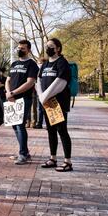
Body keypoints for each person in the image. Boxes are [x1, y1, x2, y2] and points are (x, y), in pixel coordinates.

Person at [36, 38, 73, 172]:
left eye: (51, 46)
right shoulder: (45, 65)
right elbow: (38, 80)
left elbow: (60, 83)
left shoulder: (62, 63)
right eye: (47, 46)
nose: (48, 48)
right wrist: (41, 96)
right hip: (47, 103)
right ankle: (53, 158)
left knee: (62, 131)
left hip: (58, 103)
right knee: (50, 131)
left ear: (58, 48)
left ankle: (67, 161)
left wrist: (45, 96)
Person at [6, 40, 39, 165]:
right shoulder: (14, 64)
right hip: (11, 98)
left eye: (23, 48)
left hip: (23, 98)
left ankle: (23, 154)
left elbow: (30, 82)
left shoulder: (31, 64)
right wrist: (8, 93)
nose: (20, 50)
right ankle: (24, 151)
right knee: (14, 125)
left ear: (29, 50)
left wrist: (14, 93)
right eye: (19, 48)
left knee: (20, 125)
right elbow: (8, 80)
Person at [34, 57, 46, 129]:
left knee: (43, 109)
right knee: (41, 109)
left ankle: (42, 123)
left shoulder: (43, 71)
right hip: (41, 92)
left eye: (40, 63)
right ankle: (40, 123)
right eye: (38, 63)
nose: (39, 65)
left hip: (43, 92)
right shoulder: (38, 71)